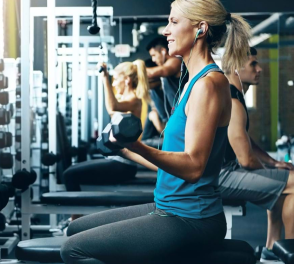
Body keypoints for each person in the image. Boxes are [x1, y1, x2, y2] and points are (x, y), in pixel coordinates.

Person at [60, 0, 250, 263]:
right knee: (74, 228)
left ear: (200, 29)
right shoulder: (190, 83)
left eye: (173, 22)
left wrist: (137, 145)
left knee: (73, 249)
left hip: (192, 217)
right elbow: (169, 161)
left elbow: (193, 167)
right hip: (169, 206)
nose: (166, 31)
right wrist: (124, 149)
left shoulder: (209, 84)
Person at [218, 47, 294, 261]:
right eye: (253, 65)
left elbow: (246, 140)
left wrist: (274, 163)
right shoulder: (233, 101)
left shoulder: (235, 96)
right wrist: (269, 171)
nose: (259, 69)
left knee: (282, 187)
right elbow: (246, 159)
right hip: (221, 175)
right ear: (236, 69)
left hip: (227, 170)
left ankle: (271, 251)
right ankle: (291, 255)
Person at [62, 60, 150, 193]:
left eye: (115, 79)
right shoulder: (126, 100)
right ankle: (77, 214)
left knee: (69, 175)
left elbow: (112, 107)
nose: (114, 83)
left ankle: (76, 214)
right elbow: (114, 105)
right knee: (69, 172)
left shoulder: (134, 100)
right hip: (117, 161)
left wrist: (104, 78)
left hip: (124, 165)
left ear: (127, 80)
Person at [142, 36, 183, 140]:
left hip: (185, 115)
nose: (153, 59)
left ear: (163, 51)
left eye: (154, 55)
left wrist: (135, 69)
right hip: (177, 117)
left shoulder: (175, 60)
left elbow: (162, 70)